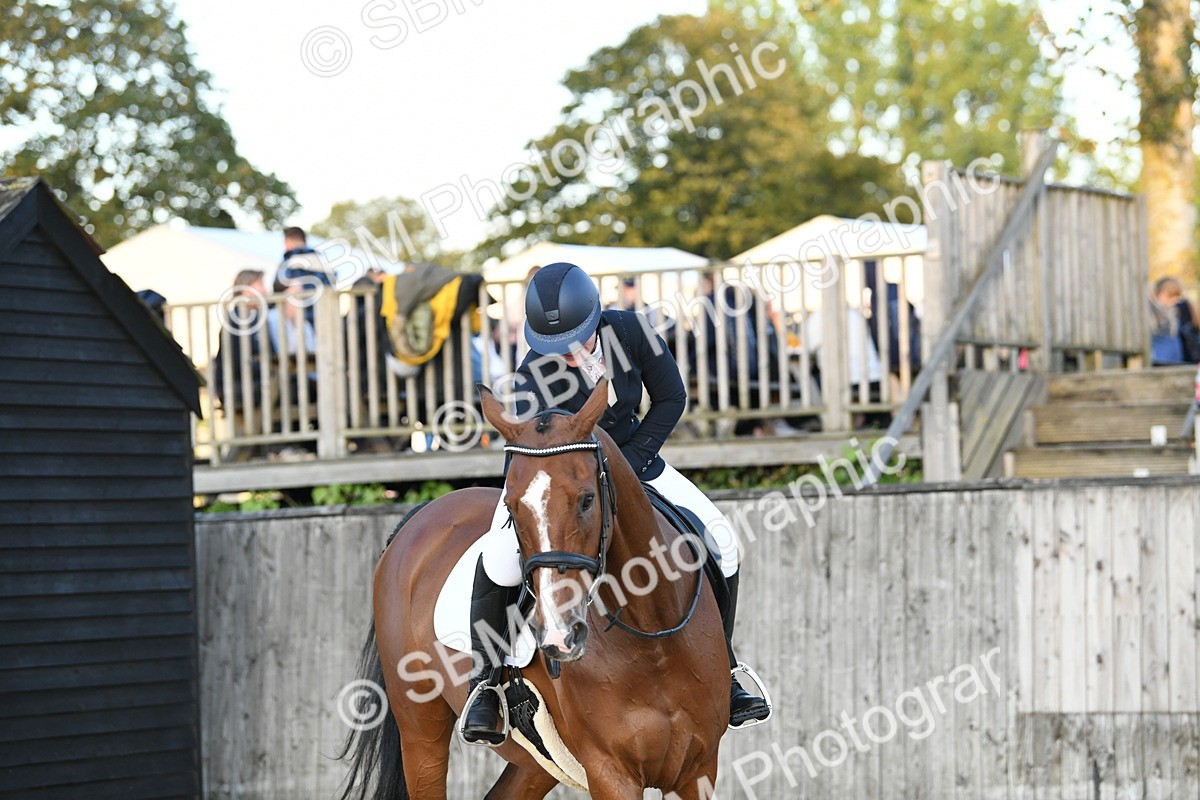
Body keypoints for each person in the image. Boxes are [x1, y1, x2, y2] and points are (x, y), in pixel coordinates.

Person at [461, 262, 769, 745]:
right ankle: (486, 683)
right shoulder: (531, 374)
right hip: (558, 482)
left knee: (726, 544)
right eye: (552, 346)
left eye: (575, 340)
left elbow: (670, 398)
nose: (564, 353)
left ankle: (725, 670)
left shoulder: (631, 332)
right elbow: (534, 453)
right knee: (498, 560)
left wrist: (628, 463)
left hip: (637, 462)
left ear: (594, 320)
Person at [1150, 277, 1190, 365]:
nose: (1174, 300)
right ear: (1161, 293)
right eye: (1171, 296)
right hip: (1160, 359)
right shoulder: (1152, 312)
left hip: (1175, 358)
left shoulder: (1173, 312)